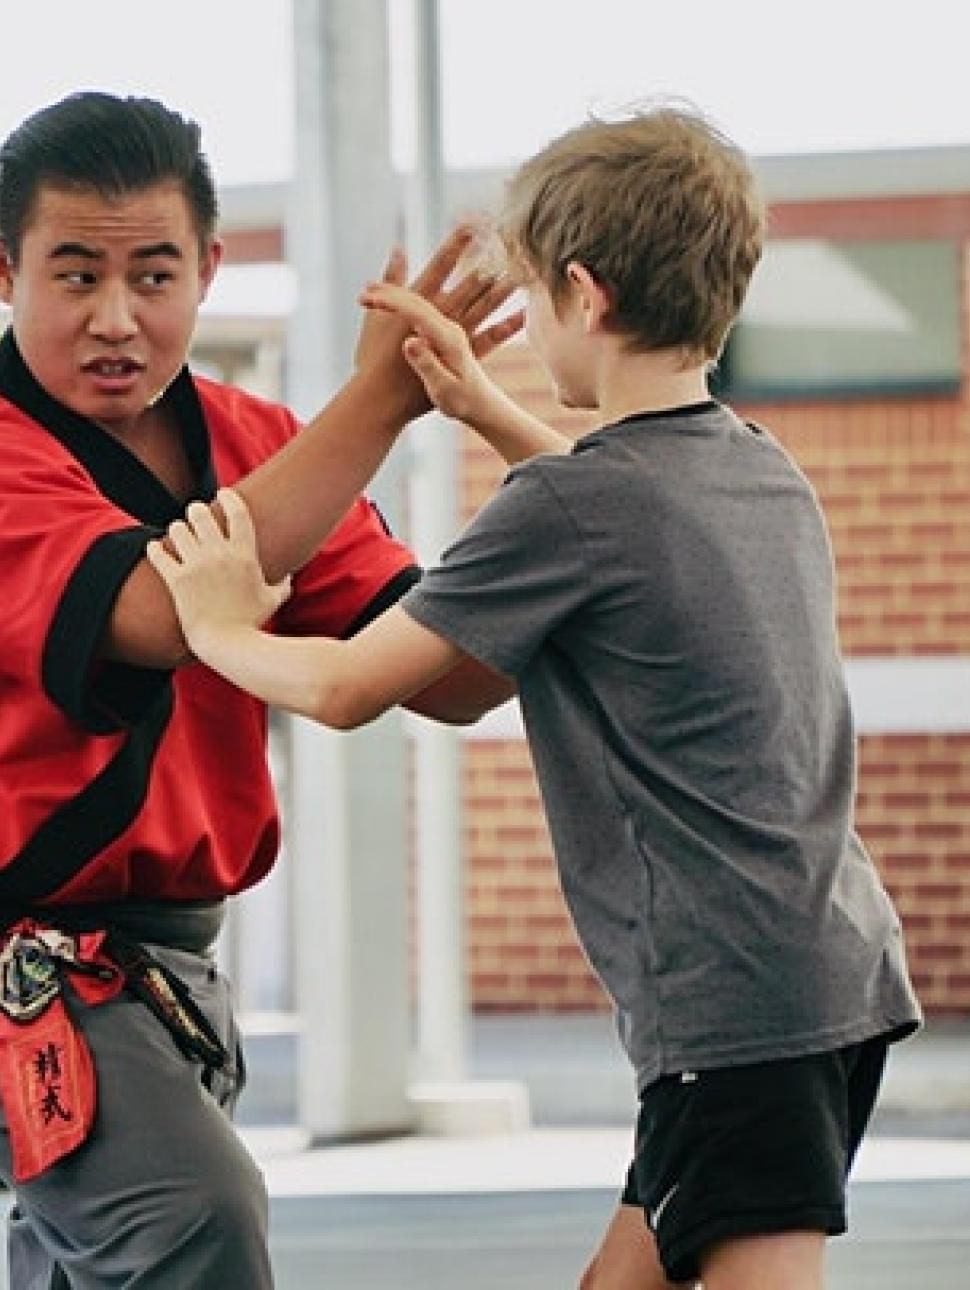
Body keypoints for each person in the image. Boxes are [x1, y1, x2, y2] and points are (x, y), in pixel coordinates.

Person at [148, 103, 923, 1290]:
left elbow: (350, 687)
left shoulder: (572, 508)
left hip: (735, 1006)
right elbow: (617, 508)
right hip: (829, 965)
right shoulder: (756, 467)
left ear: (582, 293)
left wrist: (212, 623)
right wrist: (476, 407)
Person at [0, 89, 524, 1288]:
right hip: (34, 969)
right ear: (6, 270)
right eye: (74, 276)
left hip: (173, 966)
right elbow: (158, 610)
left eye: (155, 275)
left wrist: (585, 518)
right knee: (193, 1218)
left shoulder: (264, 443)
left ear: (211, 268)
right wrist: (379, 401)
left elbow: (450, 676)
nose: (116, 318)